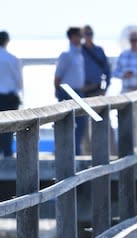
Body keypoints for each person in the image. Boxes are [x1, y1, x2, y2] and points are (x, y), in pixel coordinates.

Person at [0, 30, 23, 158]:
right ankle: (7, 153)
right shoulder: (13, 59)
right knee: (9, 125)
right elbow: (18, 80)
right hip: (10, 96)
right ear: (7, 40)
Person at [54, 26, 86, 155]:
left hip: (78, 92)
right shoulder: (66, 55)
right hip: (68, 92)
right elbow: (57, 77)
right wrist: (58, 93)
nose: (81, 38)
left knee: (80, 123)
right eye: (79, 35)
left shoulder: (79, 54)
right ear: (72, 37)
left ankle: (75, 151)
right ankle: (65, 151)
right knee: (67, 124)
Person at [82, 25, 111, 97]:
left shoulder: (99, 50)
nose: (89, 36)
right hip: (81, 91)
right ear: (82, 35)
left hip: (96, 90)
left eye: (90, 34)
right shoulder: (78, 51)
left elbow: (107, 69)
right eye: (86, 34)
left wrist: (105, 88)